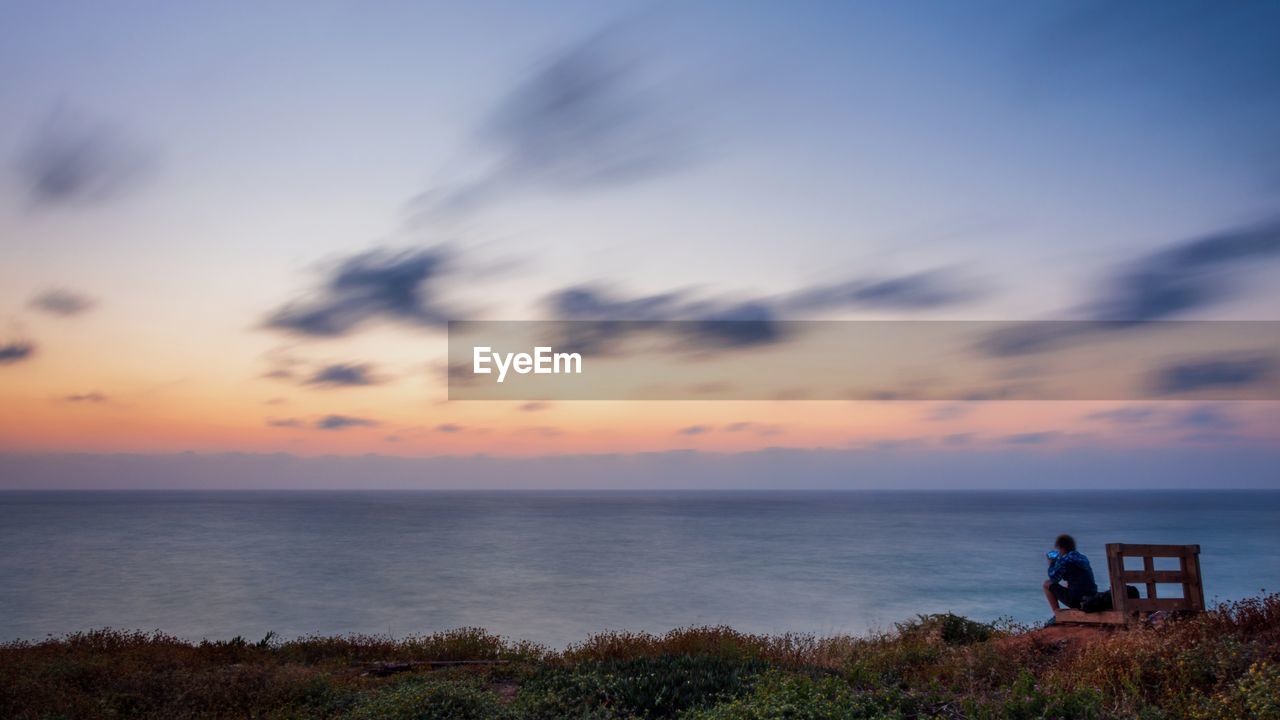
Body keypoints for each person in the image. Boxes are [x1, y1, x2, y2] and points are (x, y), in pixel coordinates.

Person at [1043, 534, 1097, 619]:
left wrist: (1052, 563)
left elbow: (1054, 578)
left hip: (1078, 600)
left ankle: (1057, 613)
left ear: (1061, 548)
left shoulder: (1065, 560)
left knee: (1046, 584)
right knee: (1069, 583)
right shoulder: (1082, 557)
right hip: (1092, 597)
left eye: (1058, 549)